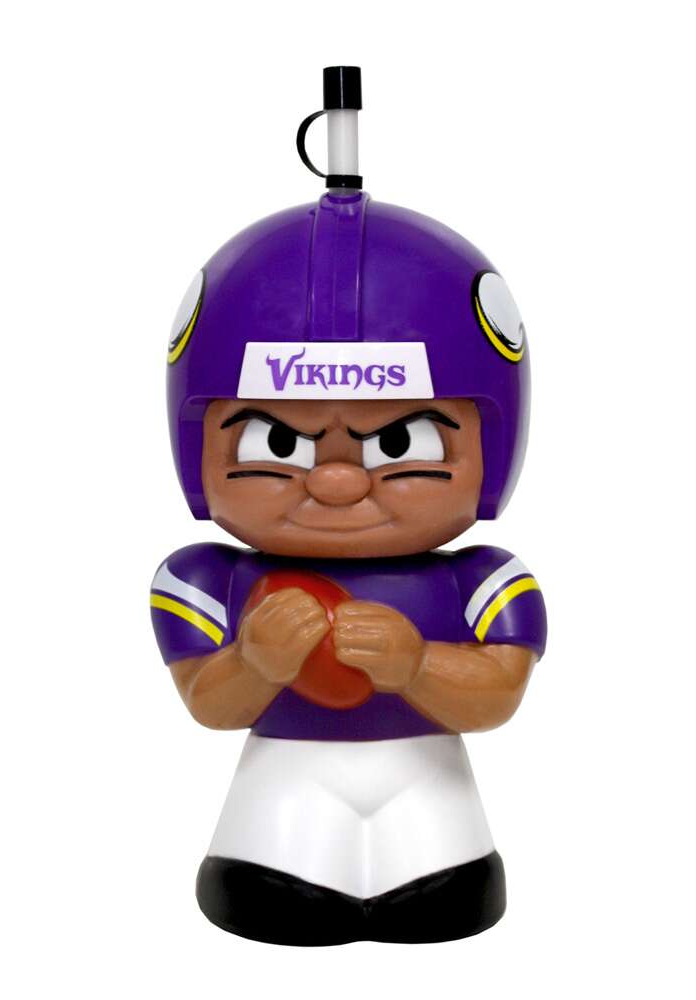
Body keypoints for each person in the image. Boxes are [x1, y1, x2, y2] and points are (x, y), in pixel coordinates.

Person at [152, 190, 547, 945]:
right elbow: (211, 704)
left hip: (432, 793)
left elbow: (497, 696)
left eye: (400, 443)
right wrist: (253, 662)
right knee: (271, 898)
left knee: (446, 898)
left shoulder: (482, 580)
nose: (337, 482)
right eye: (277, 443)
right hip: (279, 796)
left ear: (490, 448)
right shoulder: (207, 579)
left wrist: (419, 664)